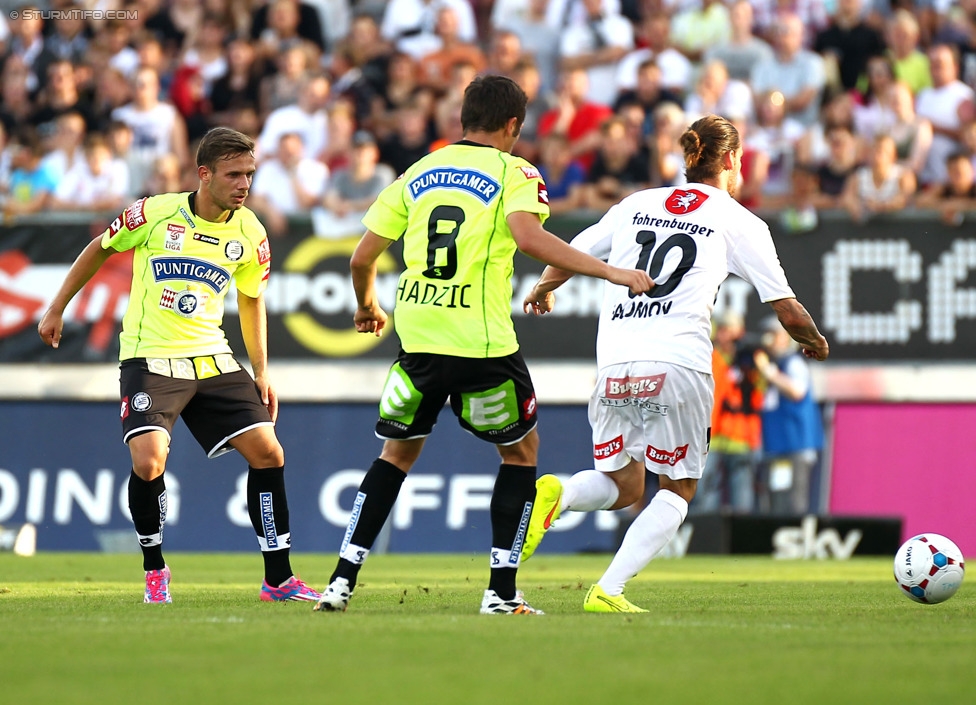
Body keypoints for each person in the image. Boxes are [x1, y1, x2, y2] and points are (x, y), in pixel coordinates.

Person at [312, 75, 654, 616]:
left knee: (394, 456)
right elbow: (529, 237)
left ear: (463, 119)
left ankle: (340, 582)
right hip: (483, 344)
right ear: (513, 125)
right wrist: (610, 271)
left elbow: (361, 258)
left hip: (418, 338)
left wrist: (365, 305)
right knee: (520, 454)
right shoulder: (515, 171)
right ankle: (500, 591)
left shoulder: (418, 172)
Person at [519, 114, 829, 612]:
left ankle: (560, 492)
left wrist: (542, 287)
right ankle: (608, 590)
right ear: (730, 160)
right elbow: (786, 308)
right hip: (677, 365)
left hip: (615, 364)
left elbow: (574, 251)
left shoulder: (637, 203)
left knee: (623, 485)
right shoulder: (737, 219)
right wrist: (812, 340)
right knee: (678, 489)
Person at [37, 127, 320, 605]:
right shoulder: (155, 212)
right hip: (150, 355)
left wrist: (262, 373)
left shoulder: (250, 231)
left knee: (270, 452)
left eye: (249, 174)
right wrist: (56, 307)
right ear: (204, 174)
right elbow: (100, 249)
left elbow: (252, 302)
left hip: (211, 356)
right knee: (149, 462)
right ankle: (155, 568)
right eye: (233, 174)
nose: (244, 185)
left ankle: (278, 579)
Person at [754, 317, 825, 515]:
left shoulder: (793, 363)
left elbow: (797, 391)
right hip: (777, 446)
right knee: (778, 495)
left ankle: (796, 542)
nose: (768, 339)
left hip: (796, 445)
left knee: (795, 500)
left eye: (774, 335)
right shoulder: (774, 364)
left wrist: (769, 373)